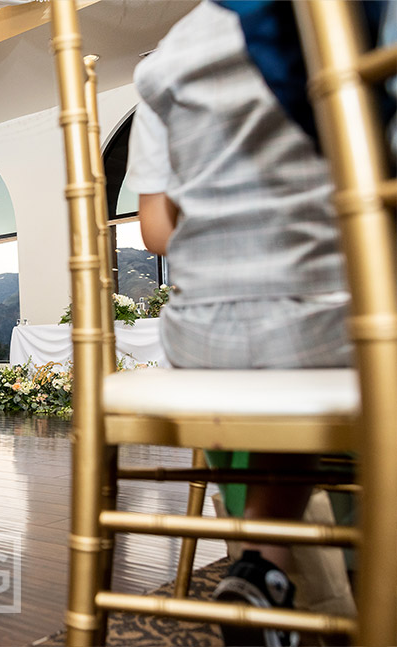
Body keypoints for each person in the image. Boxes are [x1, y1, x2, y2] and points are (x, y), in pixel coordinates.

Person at [125, 3, 352, 645]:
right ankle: (297, 562)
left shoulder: (164, 59)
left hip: (199, 340)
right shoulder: (338, 21)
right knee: (312, 340)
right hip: (326, 331)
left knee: (268, 366)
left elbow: (155, 231)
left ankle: (264, 564)